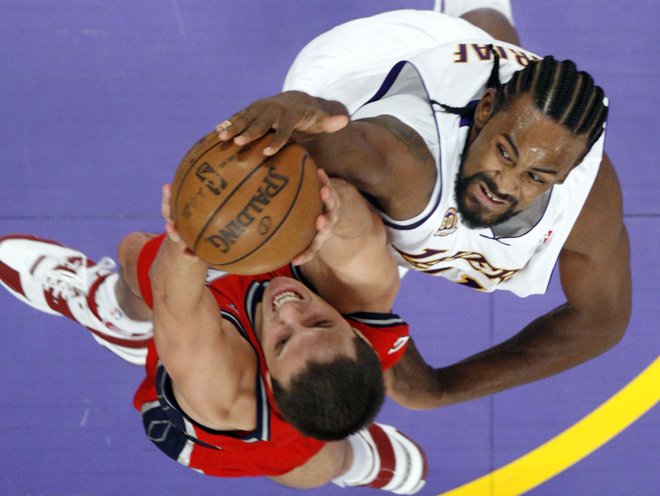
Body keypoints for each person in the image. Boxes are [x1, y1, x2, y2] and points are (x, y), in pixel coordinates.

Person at [215, 5, 632, 409]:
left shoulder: (588, 199)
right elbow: (301, 148)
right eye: (504, 154)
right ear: (483, 112)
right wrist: (290, 118)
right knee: (320, 225)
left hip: (472, 67)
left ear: (565, 176)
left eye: (537, 176)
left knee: (488, 37)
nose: (506, 184)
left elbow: (602, 320)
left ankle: (481, 18)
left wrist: (443, 388)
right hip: (353, 69)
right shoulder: (400, 161)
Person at [0, 172, 426, 494]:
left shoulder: (220, 387)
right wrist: (332, 203)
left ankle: (116, 317)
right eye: (319, 321)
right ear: (357, 339)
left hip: (206, 379)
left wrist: (191, 236)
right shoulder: (364, 305)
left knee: (136, 254)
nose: (289, 307)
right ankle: (353, 455)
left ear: (270, 381)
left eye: (283, 340)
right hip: (280, 355)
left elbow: (174, 297)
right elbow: (356, 231)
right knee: (343, 235)